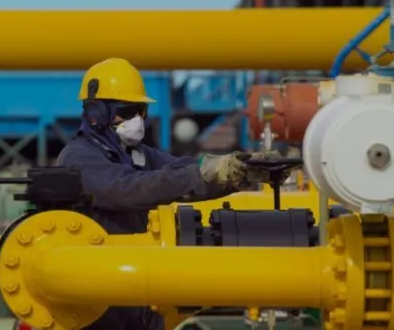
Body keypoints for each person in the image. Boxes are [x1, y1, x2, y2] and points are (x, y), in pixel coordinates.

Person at [58, 57, 274, 330]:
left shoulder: (136, 154)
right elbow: (131, 188)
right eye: (128, 110)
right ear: (96, 113)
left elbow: (182, 169)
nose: (138, 120)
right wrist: (204, 172)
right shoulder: (79, 158)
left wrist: (234, 170)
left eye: (141, 111)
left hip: (138, 293)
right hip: (97, 298)